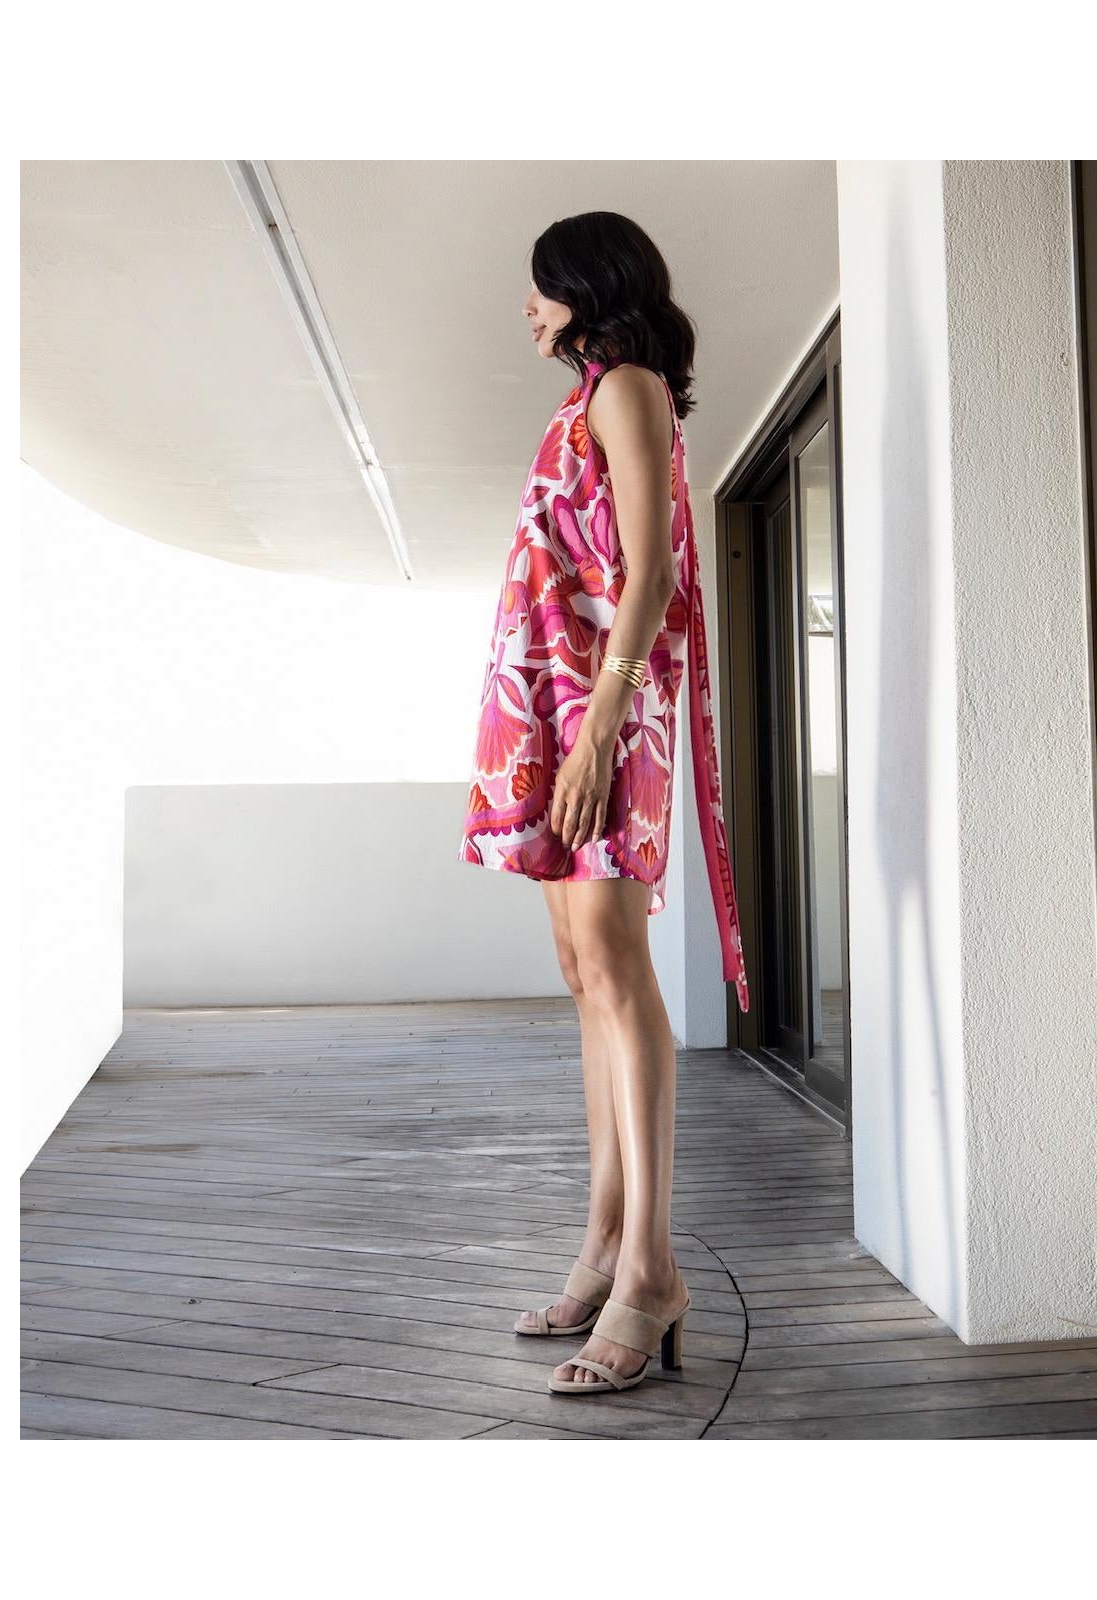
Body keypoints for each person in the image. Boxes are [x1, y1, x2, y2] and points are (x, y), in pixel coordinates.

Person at [457, 211, 750, 1395]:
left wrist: (597, 728)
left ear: (586, 288)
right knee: (585, 972)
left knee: (617, 974)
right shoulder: (578, 402)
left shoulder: (628, 388)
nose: (528, 309)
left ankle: (650, 1269)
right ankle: (599, 1246)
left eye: (541, 288)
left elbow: (654, 571)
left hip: (604, 710)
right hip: (556, 704)